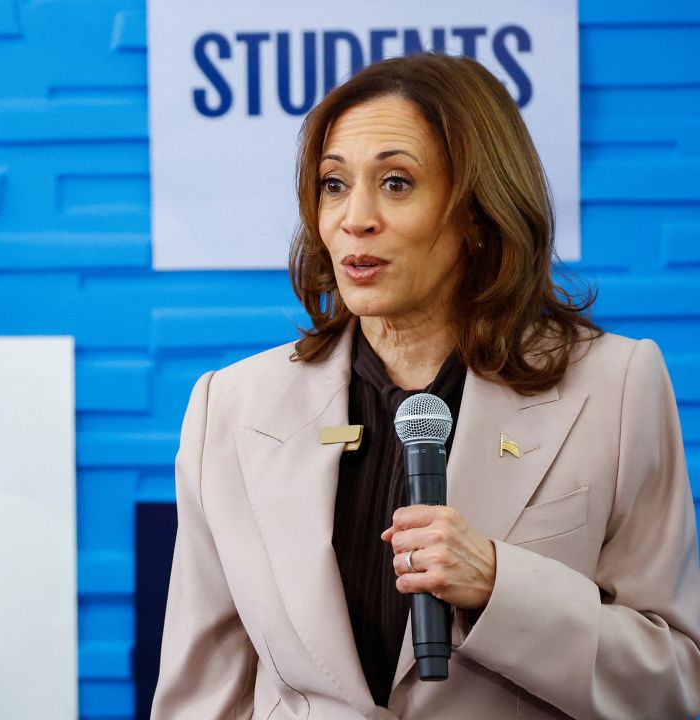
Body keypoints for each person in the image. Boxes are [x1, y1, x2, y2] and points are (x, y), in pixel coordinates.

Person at [150, 53, 700, 719]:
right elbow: (201, 697)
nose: (355, 218)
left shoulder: (614, 386)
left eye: (396, 183)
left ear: (476, 212)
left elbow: (673, 681)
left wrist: (502, 586)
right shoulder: (230, 407)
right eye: (333, 185)